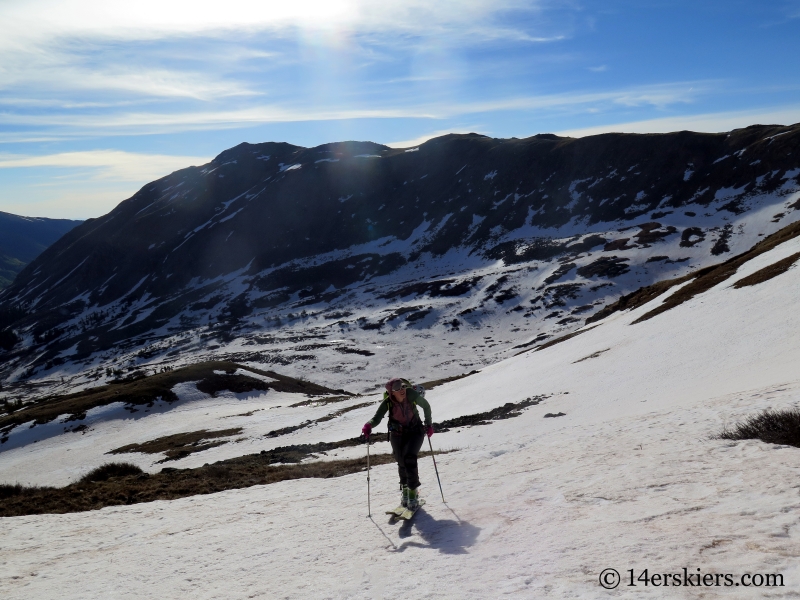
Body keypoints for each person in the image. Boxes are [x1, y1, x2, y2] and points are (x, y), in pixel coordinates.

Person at [361, 377, 433, 510]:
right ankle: (405, 492)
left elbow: (426, 406)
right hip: (397, 434)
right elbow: (377, 418)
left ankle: (413, 493)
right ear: (391, 392)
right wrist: (368, 425)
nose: (402, 390)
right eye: (397, 388)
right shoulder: (388, 403)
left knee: (409, 458)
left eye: (402, 386)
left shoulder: (411, 395)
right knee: (401, 462)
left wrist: (428, 424)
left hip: (415, 431)